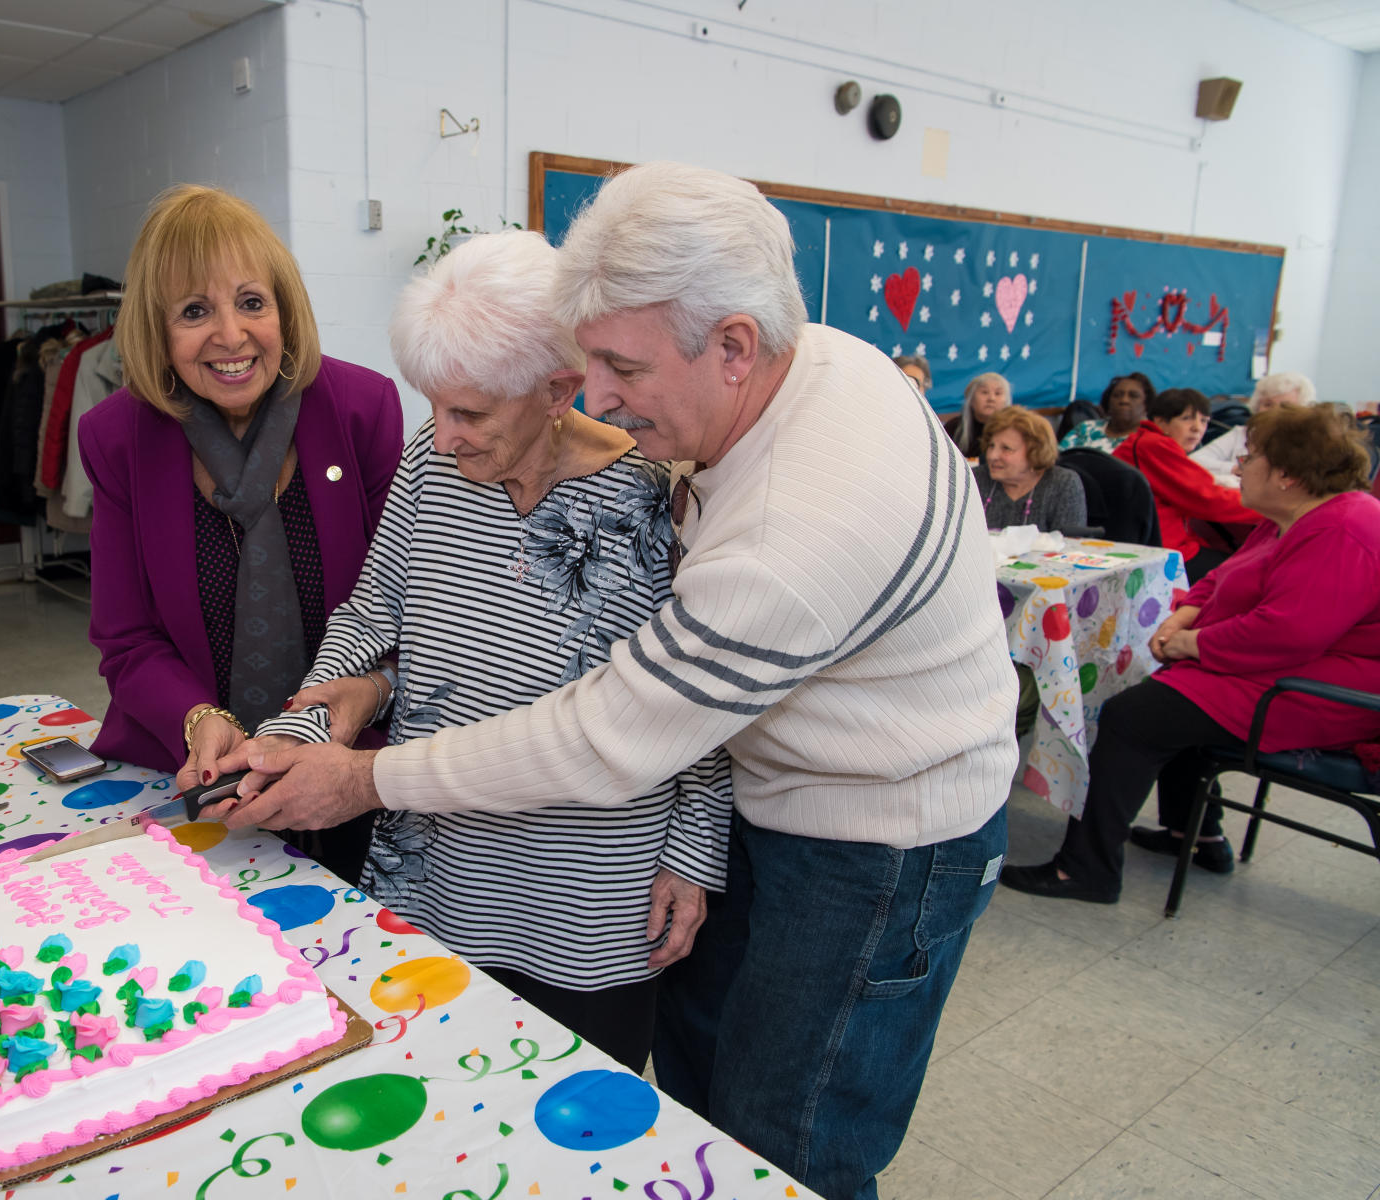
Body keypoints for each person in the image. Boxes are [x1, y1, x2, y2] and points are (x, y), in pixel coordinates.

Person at [210, 161, 1018, 1200]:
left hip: (867, 839)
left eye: (618, 368)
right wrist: (321, 720)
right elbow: (380, 615)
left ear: (732, 345)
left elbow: (620, 733)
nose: (599, 394)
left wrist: (362, 780)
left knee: (782, 1141)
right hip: (478, 847)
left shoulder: (758, 528)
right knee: (673, 1099)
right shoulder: (794, 370)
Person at [243, 231, 732, 1071]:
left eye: (469, 412)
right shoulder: (430, 471)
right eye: (433, 403)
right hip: (436, 866)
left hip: (589, 888)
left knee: (573, 1117)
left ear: (557, 389)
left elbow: (699, 703)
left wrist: (694, 854)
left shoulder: (655, 501)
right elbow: (372, 614)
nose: (442, 435)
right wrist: (301, 732)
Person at [77, 184, 404, 883]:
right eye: (195, 311)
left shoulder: (362, 411)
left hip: (346, 768)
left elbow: (401, 614)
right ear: (157, 331)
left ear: (284, 309)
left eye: (252, 302)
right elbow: (125, 638)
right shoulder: (116, 439)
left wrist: (353, 706)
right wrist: (196, 718)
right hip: (196, 774)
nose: (231, 335)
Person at [1001, 403, 1380, 901]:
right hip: (1284, 667)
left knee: (1134, 715)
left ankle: (1086, 870)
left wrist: (1193, 643)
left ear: (1287, 475)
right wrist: (1184, 614)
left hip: (1326, 689)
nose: (1238, 466)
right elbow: (1224, 579)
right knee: (1167, 692)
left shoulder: (1344, 529)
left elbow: (1288, 632)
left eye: (1251, 457)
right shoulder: (1289, 516)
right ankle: (1198, 835)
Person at [1115, 387, 1257, 578]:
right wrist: (1266, 505)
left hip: (1150, 543)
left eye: (1204, 420)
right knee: (1246, 572)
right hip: (1161, 551)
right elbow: (1209, 499)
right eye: (1186, 419)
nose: (1197, 428)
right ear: (1160, 421)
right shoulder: (1155, 446)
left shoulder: (1143, 441)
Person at [972, 406, 1087, 533]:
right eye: (991, 446)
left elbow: (1071, 545)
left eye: (1006, 448)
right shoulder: (975, 479)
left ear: (1034, 452)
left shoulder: (1063, 483)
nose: (992, 456)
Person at [1191, 372, 1314, 487]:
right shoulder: (1243, 433)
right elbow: (1194, 461)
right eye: (1268, 404)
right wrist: (1235, 469)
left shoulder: (1307, 443)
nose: (1273, 412)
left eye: (1284, 406)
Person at [1061, 372, 1154, 452]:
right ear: (1108, 402)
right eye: (1117, 395)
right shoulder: (1085, 429)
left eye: (1133, 396)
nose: (1124, 400)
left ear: (1146, 404)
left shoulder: (1153, 440)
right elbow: (1057, 459)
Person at [944, 370, 1009, 458]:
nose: (991, 398)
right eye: (985, 392)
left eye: (998, 393)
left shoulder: (1014, 430)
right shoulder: (953, 428)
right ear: (971, 399)